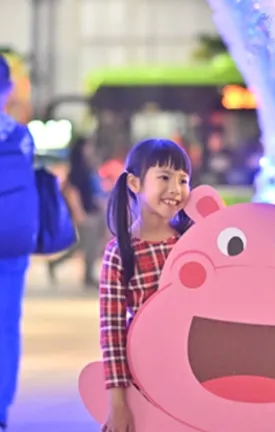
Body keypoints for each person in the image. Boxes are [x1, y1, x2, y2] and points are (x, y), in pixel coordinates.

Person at [100, 138, 192, 432]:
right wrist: (118, 405)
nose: (175, 189)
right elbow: (111, 334)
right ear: (135, 184)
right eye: (164, 177)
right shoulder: (120, 253)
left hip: (194, 371)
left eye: (183, 180)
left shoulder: (192, 242)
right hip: (145, 378)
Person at [0, 54, 37, 432]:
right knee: (6, 325)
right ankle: (1, 406)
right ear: (8, 90)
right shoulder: (22, 136)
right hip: (13, 241)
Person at [48, 136, 106, 288]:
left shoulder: (87, 168)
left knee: (83, 244)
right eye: (87, 147)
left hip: (93, 210)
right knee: (89, 245)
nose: (90, 150)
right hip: (86, 213)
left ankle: (55, 264)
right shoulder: (77, 170)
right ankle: (87, 276)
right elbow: (71, 192)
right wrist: (79, 213)